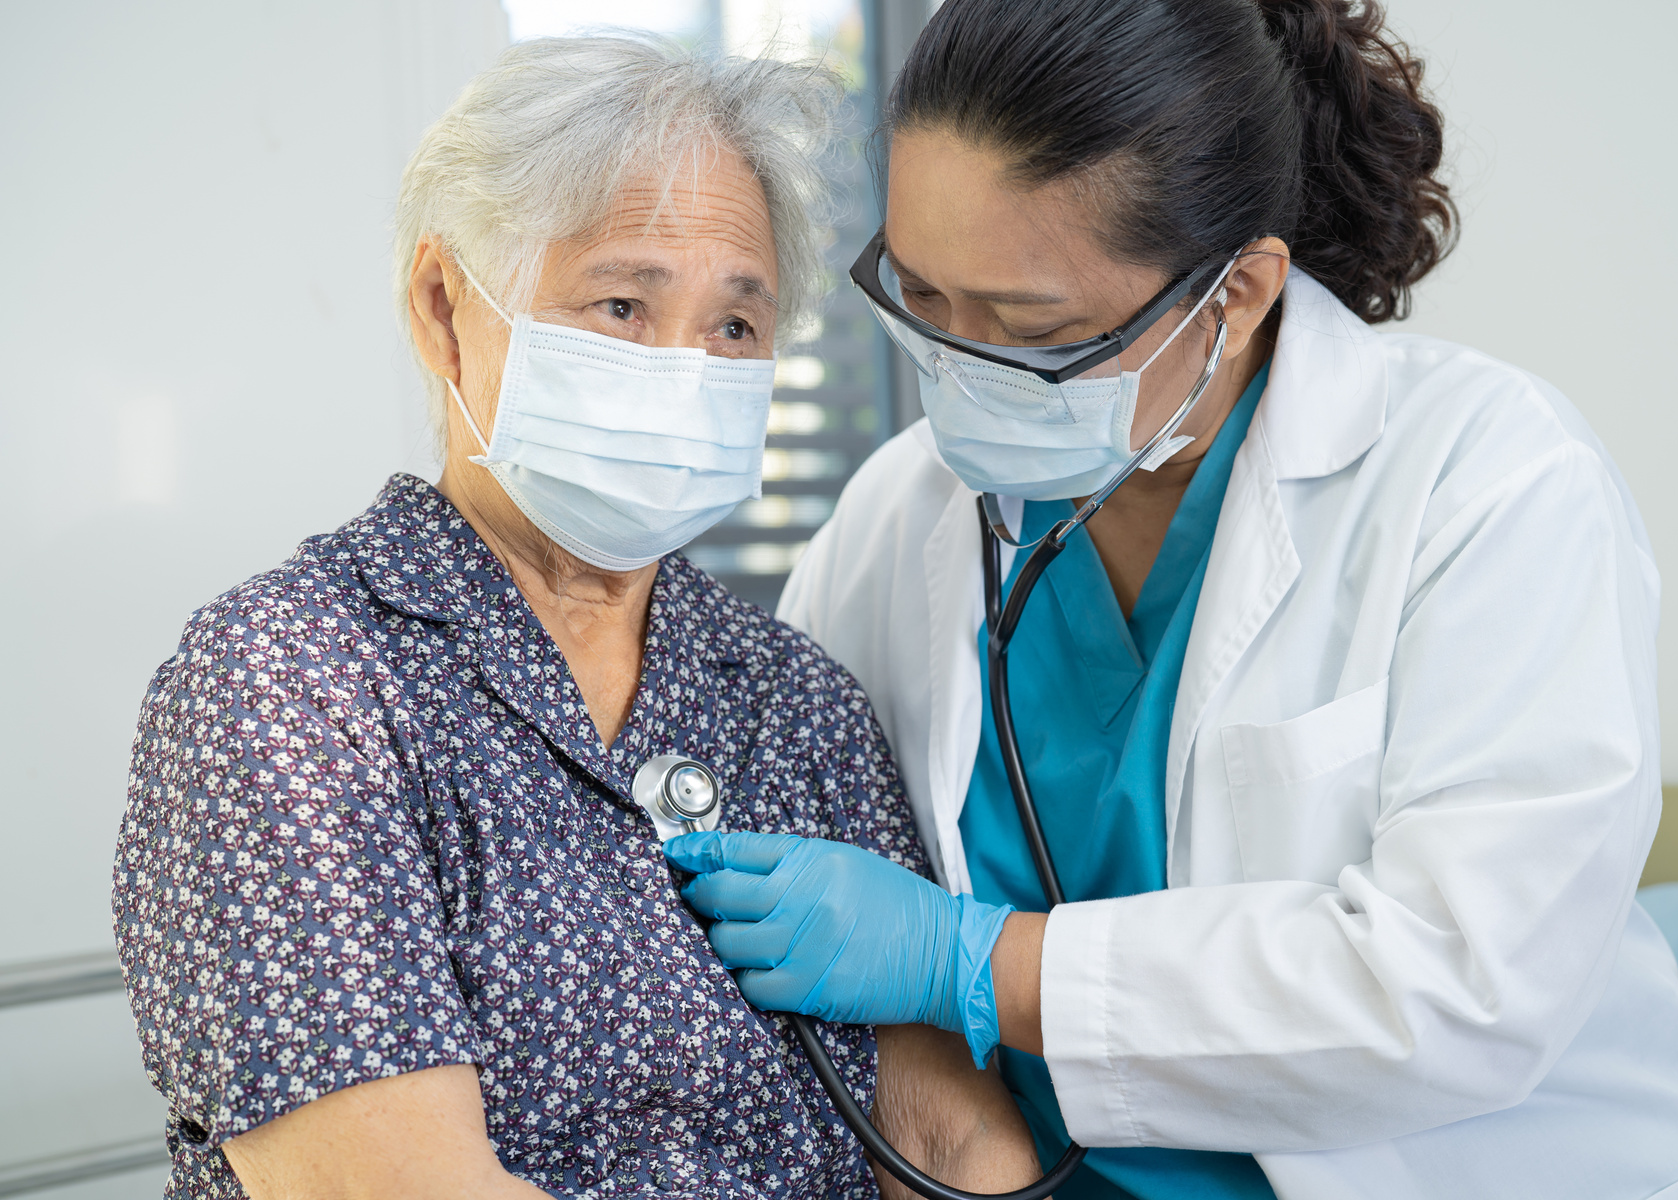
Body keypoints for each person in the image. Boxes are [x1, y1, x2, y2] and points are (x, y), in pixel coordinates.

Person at [665, 1, 1678, 1197]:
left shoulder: (1486, 480)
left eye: (1033, 329)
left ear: (1239, 293)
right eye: (922, 299)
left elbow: (1465, 990)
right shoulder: (898, 519)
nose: (957, 368)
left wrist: (973, 962)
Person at [111, 36, 1041, 1200]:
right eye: (622, 304)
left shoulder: (795, 697)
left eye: (734, 327)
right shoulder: (290, 683)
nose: (685, 372)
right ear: (445, 309)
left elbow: (950, 1144)